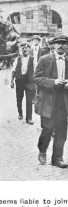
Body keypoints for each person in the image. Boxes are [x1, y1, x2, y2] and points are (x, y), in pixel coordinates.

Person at [34, 35, 68, 168]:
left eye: (63, 43)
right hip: (48, 101)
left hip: (63, 101)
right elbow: (36, 78)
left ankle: (57, 158)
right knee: (47, 129)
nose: (60, 46)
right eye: (58, 43)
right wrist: (53, 82)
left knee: (61, 130)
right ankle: (42, 151)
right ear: (53, 45)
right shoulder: (44, 59)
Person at [10, 42, 35, 124]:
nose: (24, 50)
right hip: (19, 81)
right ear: (21, 50)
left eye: (26, 48)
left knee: (29, 100)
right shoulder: (17, 59)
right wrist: (11, 81)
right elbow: (13, 70)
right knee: (19, 98)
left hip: (29, 81)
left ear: (29, 49)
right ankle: (20, 113)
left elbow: (37, 71)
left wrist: (35, 82)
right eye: (23, 48)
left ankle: (29, 118)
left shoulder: (33, 59)